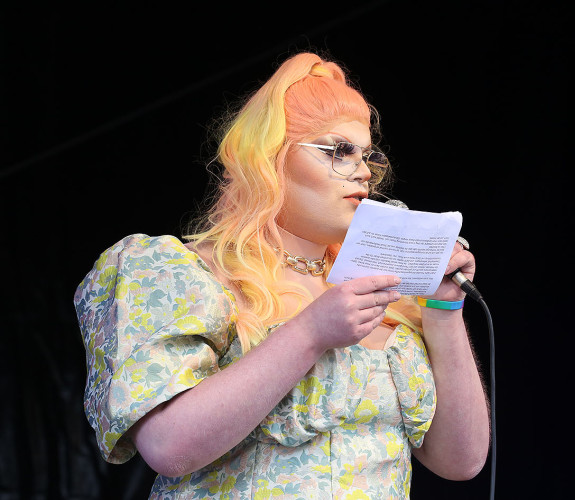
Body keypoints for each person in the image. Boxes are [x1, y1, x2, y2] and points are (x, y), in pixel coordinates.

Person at [74, 51, 490, 499]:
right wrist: (310, 332)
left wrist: (444, 309)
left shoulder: (384, 287)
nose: (365, 171)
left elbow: (460, 462)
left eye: (368, 155)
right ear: (271, 159)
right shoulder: (183, 271)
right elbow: (168, 447)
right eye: (339, 151)